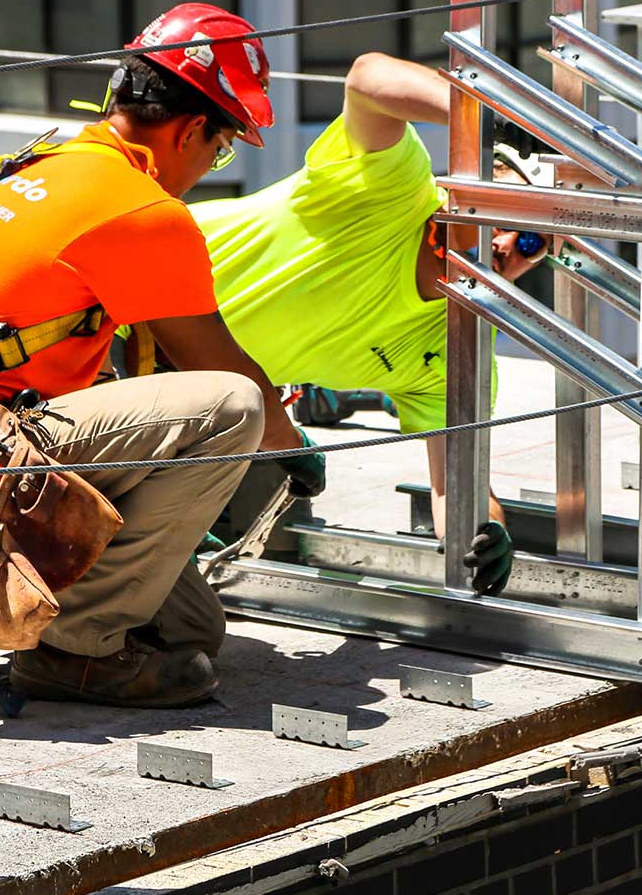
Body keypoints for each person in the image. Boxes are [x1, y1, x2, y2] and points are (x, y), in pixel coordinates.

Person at [0, 3, 324, 708]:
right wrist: (293, 448)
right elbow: (225, 376)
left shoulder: (40, 163)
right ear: (192, 130)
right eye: (219, 148)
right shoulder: (140, 212)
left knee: (194, 627)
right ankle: (76, 649)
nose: (209, 165)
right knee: (235, 409)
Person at [189, 51, 549, 595]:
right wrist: (485, 114)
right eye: (503, 215)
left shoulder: (462, 347)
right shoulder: (393, 189)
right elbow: (366, 78)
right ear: (458, 195)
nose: (505, 245)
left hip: (189, 384)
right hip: (113, 307)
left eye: (529, 243)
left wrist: (487, 527)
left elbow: (457, 480)